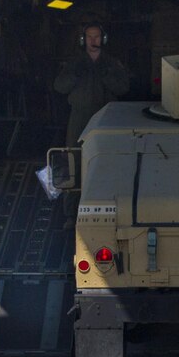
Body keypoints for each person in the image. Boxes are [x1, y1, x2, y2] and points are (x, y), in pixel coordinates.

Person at [53, 23, 130, 228]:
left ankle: (106, 210)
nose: (93, 41)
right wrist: (74, 74)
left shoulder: (112, 64)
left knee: (105, 163)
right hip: (79, 118)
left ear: (103, 39)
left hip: (105, 119)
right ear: (83, 39)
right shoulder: (75, 63)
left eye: (97, 37)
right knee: (74, 163)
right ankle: (71, 213)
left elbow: (123, 88)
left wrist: (106, 75)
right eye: (89, 37)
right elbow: (59, 87)